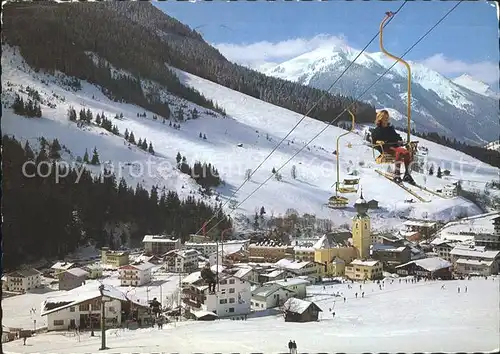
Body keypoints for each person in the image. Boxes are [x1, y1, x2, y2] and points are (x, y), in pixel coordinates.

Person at [372, 110, 415, 185]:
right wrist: (380, 143)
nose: (386, 119)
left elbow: (397, 136)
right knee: (399, 152)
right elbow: (374, 142)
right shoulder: (376, 131)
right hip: (386, 149)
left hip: (394, 147)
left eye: (387, 117)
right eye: (384, 117)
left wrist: (400, 140)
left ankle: (407, 174)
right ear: (380, 119)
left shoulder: (390, 129)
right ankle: (397, 174)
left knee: (406, 152)